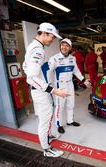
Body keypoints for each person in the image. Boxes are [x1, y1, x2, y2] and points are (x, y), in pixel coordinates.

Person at [23, 22, 69, 157]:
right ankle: (46, 148)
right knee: (46, 120)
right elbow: (31, 77)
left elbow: (25, 66)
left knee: (47, 119)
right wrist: (54, 90)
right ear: (44, 33)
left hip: (42, 90)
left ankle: (48, 136)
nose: (53, 39)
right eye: (52, 36)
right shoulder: (38, 49)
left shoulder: (34, 46)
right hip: (41, 91)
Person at [49, 38, 91, 134]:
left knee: (71, 104)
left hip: (70, 84)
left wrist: (84, 80)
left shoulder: (73, 58)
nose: (64, 47)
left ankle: (70, 121)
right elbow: (48, 72)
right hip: (60, 85)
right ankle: (58, 124)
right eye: (62, 45)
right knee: (60, 106)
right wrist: (48, 86)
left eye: (66, 45)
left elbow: (76, 71)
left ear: (70, 48)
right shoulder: (54, 58)